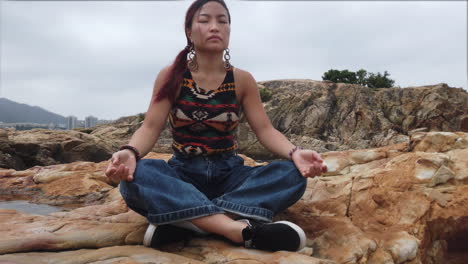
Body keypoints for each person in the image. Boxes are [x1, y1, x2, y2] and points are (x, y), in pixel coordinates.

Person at [105, 0, 327, 252]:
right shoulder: (172, 76)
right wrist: (130, 153)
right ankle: (235, 228)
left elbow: (265, 131)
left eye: (222, 21)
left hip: (229, 174)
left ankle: (189, 221)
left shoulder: (242, 80)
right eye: (204, 20)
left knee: (292, 174)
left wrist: (296, 153)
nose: (215, 27)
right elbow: (150, 128)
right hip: (183, 174)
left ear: (229, 30)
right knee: (138, 176)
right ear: (189, 31)